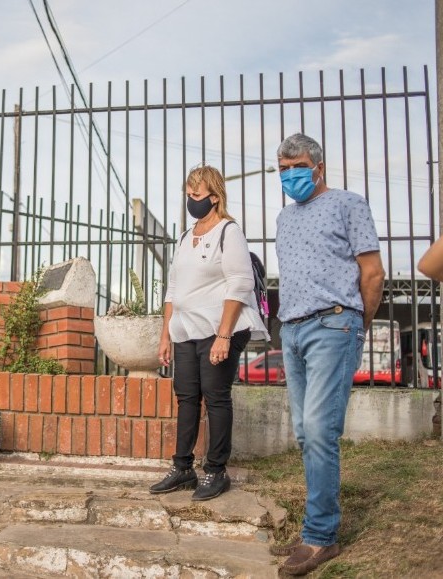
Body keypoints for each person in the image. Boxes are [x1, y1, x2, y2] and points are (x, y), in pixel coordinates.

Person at [271, 133, 385, 575]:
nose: (289, 174)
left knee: (320, 428)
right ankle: (315, 529)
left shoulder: (349, 204)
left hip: (334, 323)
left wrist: (357, 324)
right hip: (294, 330)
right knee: (305, 431)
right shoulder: (284, 218)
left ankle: (320, 538)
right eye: (281, 168)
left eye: (295, 165)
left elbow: (372, 273)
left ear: (318, 166)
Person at [150, 165, 268, 501]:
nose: (191, 200)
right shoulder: (187, 236)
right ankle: (182, 467)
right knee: (187, 397)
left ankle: (216, 471)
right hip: (186, 329)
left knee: (215, 397)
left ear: (215, 197)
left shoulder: (229, 232)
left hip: (220, 329)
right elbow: (173, 288)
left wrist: (223, 335)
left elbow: (241, 284)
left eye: (197, 195)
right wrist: (165, 335)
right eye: (188, 194)